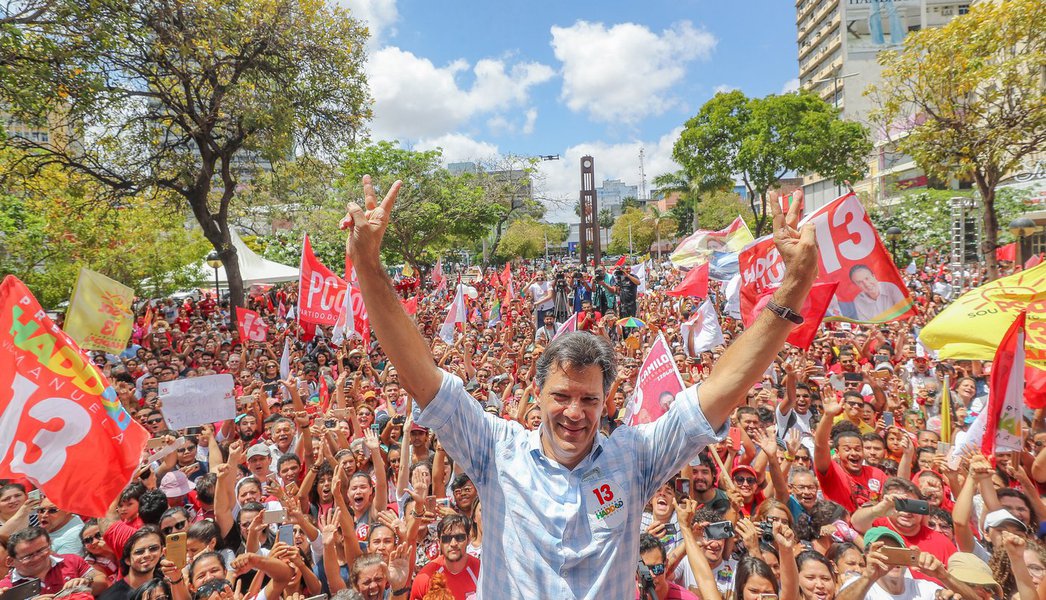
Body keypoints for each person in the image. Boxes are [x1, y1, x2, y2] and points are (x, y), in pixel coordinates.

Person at [343, 178, 819, 597]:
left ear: (607, 401)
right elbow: (419, 372)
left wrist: (792, 289)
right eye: (562, 396)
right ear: (538, 391)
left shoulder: (635, 458)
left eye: (589, 399)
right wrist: (367, 265)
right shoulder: (494, 450)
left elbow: (721, 389)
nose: (575, 412)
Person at [0, 526, 108, 595]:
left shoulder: (71, 561)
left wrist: (86, 582)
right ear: (10, 561)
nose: (37, 558)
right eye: (28, 556)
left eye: (42, 550)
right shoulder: (6, 589)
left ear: (50, 545)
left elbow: (102, 581)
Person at [409, 515, 479, 600]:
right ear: (439, 542)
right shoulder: (425, 578)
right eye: (446, 538)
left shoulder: (481, 572)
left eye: (459, 537)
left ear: (468, 540)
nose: (453, 543)